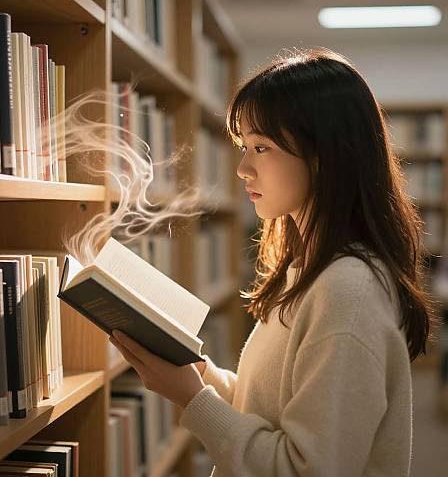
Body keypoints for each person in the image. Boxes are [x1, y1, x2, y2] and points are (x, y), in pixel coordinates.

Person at [108, 47, 440, 476]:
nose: (243, 169)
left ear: (323, 156)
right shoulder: (311, 269)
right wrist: (203, 377)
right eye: (243, 146)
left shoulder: (347, 291)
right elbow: (271, 413)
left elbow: (307, 469)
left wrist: (194, 400)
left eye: (261, 148)